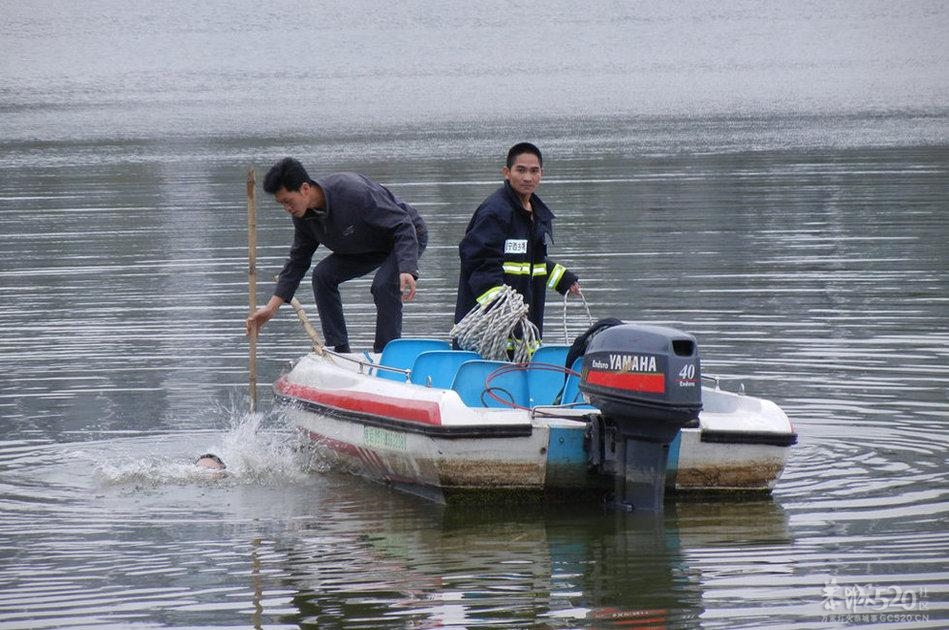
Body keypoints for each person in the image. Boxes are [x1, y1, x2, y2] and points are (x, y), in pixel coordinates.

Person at [246, 158, 428, 353]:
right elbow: (297, 262)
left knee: (384, 285)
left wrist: (407, 268)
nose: (287, 209)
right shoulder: (303, 217)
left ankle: (385, 354)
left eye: (288, 201)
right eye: (281, 204)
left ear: (305, 188)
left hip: (406, 237)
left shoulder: (353, 192)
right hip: (366, 246)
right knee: (323, 275)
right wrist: (271, 308)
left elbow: (402, 224)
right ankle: (340, 349)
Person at [454, 142, 581, 346]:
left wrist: (561, 278)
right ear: (507, 172)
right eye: (520, 170)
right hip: (488, 338)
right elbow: (479, 264)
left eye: (534, 171)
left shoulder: (535, 213)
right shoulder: (495, 213)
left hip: (524, 334)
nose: (527, 178)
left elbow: (526, 262)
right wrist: (503, 308)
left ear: (542, 174)